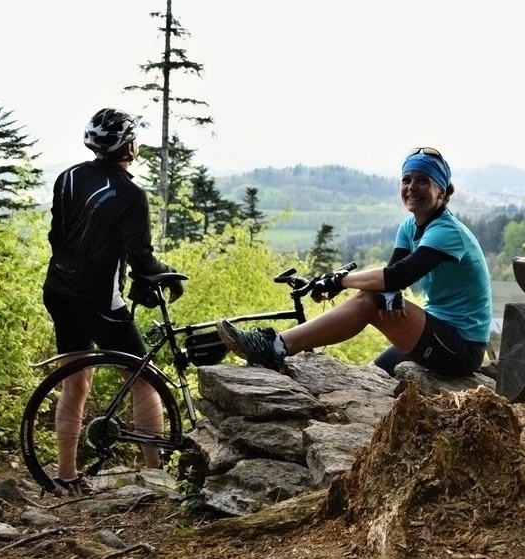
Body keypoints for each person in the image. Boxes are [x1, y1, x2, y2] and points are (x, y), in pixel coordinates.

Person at [217, 146, 492, 377]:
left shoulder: (446, 231)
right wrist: (374, 290)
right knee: (376, 374)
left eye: (423, 180)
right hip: (436, 329)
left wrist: (340, 280)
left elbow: (397, 277)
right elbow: (390, 283)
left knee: (370, 301)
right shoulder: (410, 227)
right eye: (407, 179)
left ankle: (274, 347)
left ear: (441, 191)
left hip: (462, 346)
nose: (412, 187)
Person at [42, 107, 184, 493]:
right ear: (130, 147)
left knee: (74, 385)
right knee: (145, 382)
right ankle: (156, 475)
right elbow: (142, 259)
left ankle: (66, 476)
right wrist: (166, 274)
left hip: (58, 290)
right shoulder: (131, 195)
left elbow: (57, 236)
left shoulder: (68, 177)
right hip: (101, 300)